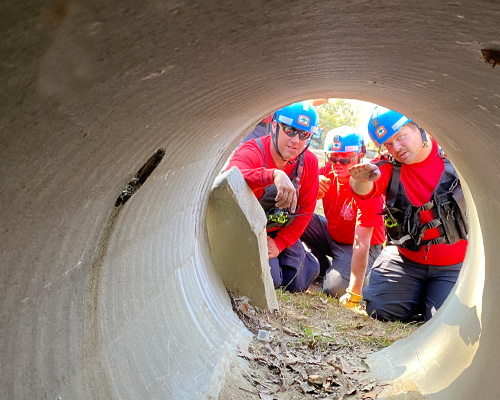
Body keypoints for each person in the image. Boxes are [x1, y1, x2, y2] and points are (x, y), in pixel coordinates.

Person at [348, 106, 468, 321]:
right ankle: (416, 295)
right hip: (406, 260)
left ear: (419, 126)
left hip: (454, 265)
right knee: (379, 310)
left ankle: (427, 298)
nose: (396, 148)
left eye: (400, 136)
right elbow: (363, 190)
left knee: (443, 321)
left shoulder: (454, 153)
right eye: (388, 144)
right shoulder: (388, 166)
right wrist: (361, 177)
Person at [226, 101, 321, 292]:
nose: (296, 140)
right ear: (275, 126)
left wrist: (279, 244)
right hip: (251, 229)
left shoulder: (309, 162)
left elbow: (306, 210)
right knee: (271, 281)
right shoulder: (253, 151)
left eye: (304, 135)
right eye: (290, 130)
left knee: (296, 282)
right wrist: (272, 175)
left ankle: (306, 259)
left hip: (279, 229)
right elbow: (230, 177)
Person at [301, 129, 385, 307]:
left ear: (360, 154)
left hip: (361, 246)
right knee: (298, 216)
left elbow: (362, 243)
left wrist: (354, 293)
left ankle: (363, 275)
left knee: (335, 289)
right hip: (333, 233)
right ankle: (323, 266)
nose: (338, 164)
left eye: (345, 159)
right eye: (333, 158)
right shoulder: (328, 172)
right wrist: (312, 187)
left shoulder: (366, 187)